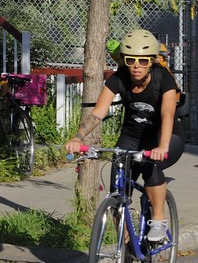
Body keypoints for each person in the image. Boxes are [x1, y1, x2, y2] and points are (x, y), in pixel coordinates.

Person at [67, 27, 185, 241]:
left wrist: (162, 147)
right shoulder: (118, 79)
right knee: (117, 188)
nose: (136, 66)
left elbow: (167, 115)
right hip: (131, 137)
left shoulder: (163, 79)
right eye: (131, 60)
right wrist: (78, 137)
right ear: (124, 60)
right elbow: (98, 113)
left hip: (165, 137)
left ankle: (158, 219)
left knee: (151, 168)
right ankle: (126, 246)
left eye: (143, 61)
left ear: (151, 61)